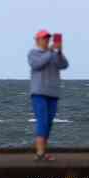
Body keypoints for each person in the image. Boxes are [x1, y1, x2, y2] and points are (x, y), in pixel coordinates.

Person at [27, 30, 69, 161]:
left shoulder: (54, 55)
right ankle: (40, 153)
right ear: (37, 40)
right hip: (39, 93)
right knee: (42, 121)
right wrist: (50, 52)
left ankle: (43, 152)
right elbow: (37, 64)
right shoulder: (33, 53)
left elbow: (64, 65)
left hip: (53, 93)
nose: (46, 40)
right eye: (44, 38)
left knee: (48, 123)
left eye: (48, 38)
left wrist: (60, 52)